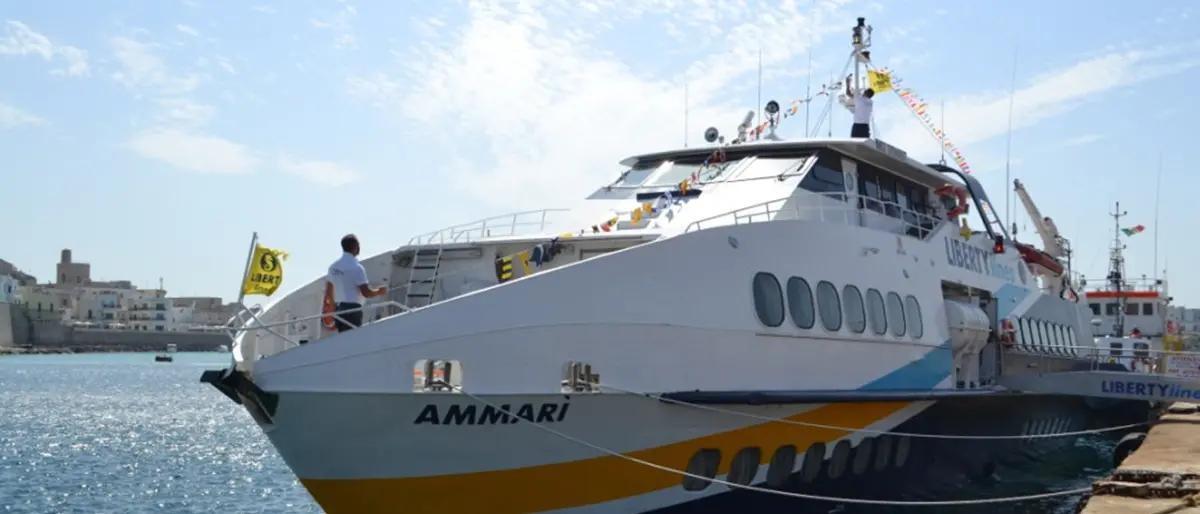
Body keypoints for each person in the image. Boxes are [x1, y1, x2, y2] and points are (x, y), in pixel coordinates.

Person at [326, 234, 387, 333]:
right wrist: (379, 291)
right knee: (352, 338)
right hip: (352, 310)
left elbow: (329, 292)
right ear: (356, 247)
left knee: (342, 336)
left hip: (338, 308)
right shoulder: (357, 268)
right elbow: (366, 293)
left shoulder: (333, 267)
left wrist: (333, 309)